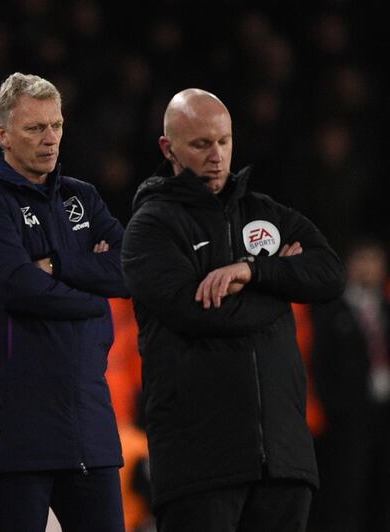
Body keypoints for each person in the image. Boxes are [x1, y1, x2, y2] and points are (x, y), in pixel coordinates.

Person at [121, 88, 346, 532]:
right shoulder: (151, 228)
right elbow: (198, 311)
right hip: (200, 466)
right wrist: (281, 286)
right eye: (201, 144)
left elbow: (330, 274)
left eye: (223, 141)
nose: (217, 155)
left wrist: (251, 272)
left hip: (283, 461)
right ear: (169, 149)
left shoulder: (266, 213)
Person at [0, 72, 128, 532]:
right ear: (2, 134)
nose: (50, 139)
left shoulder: (81, 197)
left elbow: (131, 268)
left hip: (88, 420)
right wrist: (94, 296)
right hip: (18, 427)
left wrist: (58, 266)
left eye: (56, 125)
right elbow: (16, 285)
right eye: (35, 128)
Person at [309, 239, 390, 532]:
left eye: (375, 261)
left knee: (381, 491)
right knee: (347, 492)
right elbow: (319, 365)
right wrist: (335, 410)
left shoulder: (385, 306)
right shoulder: (331, 310)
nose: (369, 268)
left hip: (384, 414)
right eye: (363, 260)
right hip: (348, 420)